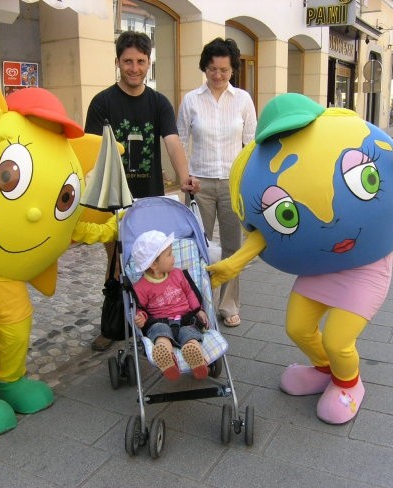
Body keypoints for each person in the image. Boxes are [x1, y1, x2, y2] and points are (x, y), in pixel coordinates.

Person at [85, 31, 200, 351]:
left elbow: (173, 143)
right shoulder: (102, 103)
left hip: (149, 200)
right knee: (116, 263)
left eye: (140, 61)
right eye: (127, 61)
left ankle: (152, 319)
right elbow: (90, 149)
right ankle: (113, 325)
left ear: (149, 62)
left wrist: (185, 177)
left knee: (147, 262)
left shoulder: (158, 102)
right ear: (118, 62)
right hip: (112, 199)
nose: (134, 68)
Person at [177, 37, 257, 327]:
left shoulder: (243, 100)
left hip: (233, 184)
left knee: (233, 247)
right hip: (199, 184)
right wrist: (184, 177)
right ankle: (197, 303)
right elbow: (180, 140)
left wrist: (250, 182)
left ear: (232, 69)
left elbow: (251, 145)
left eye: (224, 69)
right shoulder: (191, 100)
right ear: (205, 68)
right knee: (197, 245)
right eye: (212, 69)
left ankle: (228, 304)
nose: (218, 75)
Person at [132, 230, 209, 380]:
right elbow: (140, 308)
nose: (174, 257)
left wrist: (198, 310)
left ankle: (193, 353)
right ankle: (166, 357)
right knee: (160, 333)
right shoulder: (141, 287)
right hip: (160, 322)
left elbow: (189, 293)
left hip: (185, 318)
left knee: (189, 333)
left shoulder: (178, 274)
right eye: (169, 254)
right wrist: (141, 316)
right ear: (154, 264)